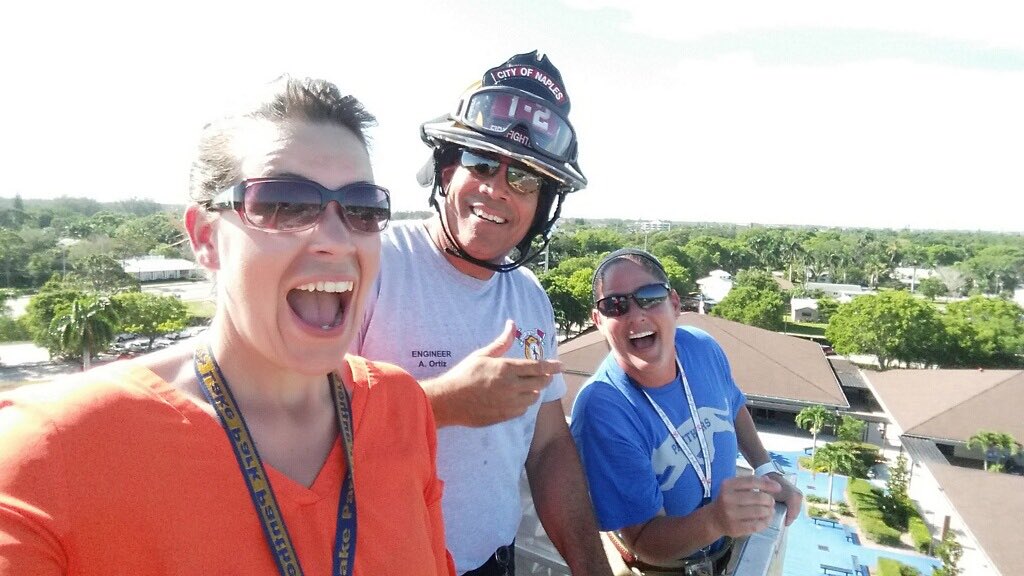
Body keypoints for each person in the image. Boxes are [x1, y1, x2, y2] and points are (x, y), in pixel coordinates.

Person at [0, 76, 454, 576]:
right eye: (283, 203)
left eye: (362, 209)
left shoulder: (400, 408)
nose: (336, 238)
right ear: (205, 238)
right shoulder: (55, 449)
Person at [357, 51, 611, 576]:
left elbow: (547, 445)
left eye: (524, 178)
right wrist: (440, 403)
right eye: (480, 163)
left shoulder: (529, 297)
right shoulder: (370, 265)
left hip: (494, 561)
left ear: (542, 206)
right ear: (446, 169)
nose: (497, 187)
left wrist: (593, 568)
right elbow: (289, 425)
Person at [570, 249, 803, 576]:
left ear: (675, 304)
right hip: (658, 567)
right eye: (615, 305)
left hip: (721, 549)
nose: (635, 315)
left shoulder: (702, 348)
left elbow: (733, 407)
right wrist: (716, 520)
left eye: (649, 297)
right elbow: (641, 540)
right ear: (599, 322)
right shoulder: (604, 409)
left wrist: (766, 470)